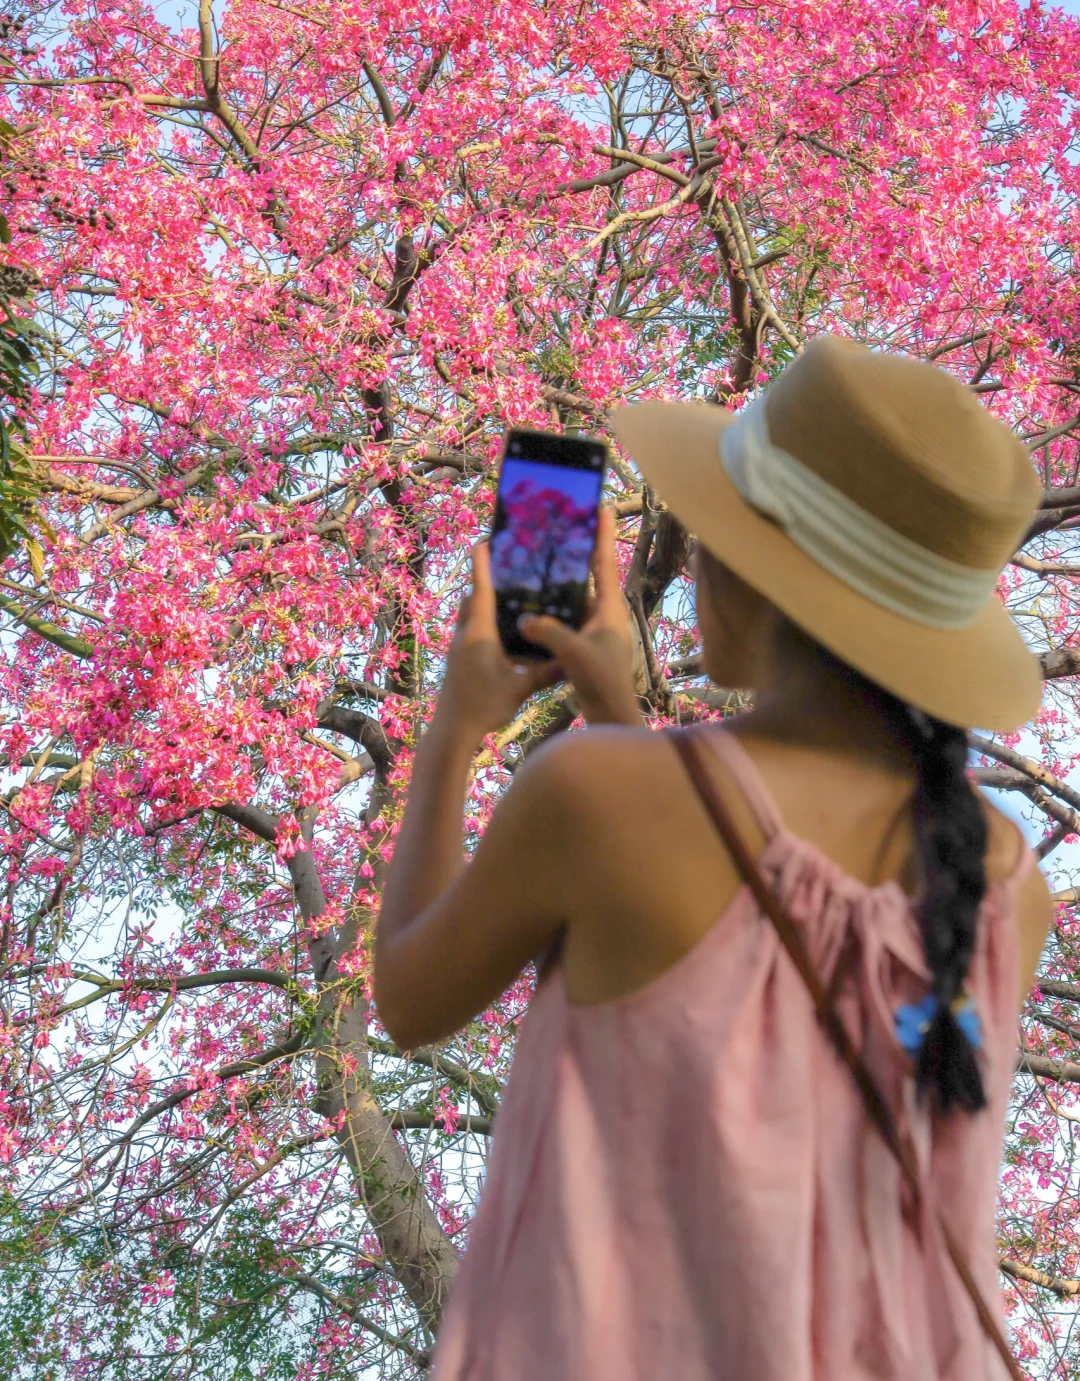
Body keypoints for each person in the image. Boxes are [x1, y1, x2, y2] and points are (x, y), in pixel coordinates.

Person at [374, 335, 1053, 1381]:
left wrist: (456, 724)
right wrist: (616, 710)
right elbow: (767, 978)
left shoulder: (593, 797)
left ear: (743, 567)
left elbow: (410, 995)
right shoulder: (1011, 883)